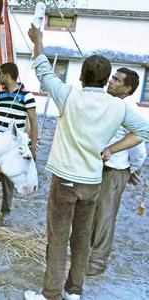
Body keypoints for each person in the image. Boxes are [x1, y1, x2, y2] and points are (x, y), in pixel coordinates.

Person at [24, 24, 149, 300]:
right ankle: (75, 291)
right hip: (92, 182)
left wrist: (39, 40)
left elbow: (42, 69)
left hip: (65, 180)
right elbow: (144, 131)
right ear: (106, 81)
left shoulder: (68, 95)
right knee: (81, 239)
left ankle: (50, 293)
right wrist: (112, 148)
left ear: (80, 76)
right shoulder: (117, 107)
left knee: (58, 238)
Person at [88, 68, 147, 276]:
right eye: (112, 77)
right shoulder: (107, 104)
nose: (111, 82)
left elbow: (140, 148)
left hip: (115, 171)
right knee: (90, 213)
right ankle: (85, 256)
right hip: (96, 167)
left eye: (117, 80)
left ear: (128, 88)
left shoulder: (128, 111)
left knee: (105, 216)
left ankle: (97, 263)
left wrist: (131, 170)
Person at [0, 62, 38, 223]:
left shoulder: (27, 96)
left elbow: (33, 121)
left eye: (1, 74)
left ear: (7, 75)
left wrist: (33, 146)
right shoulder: (1, 95)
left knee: (8, 180)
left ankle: (6, 212)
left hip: (12, 146)